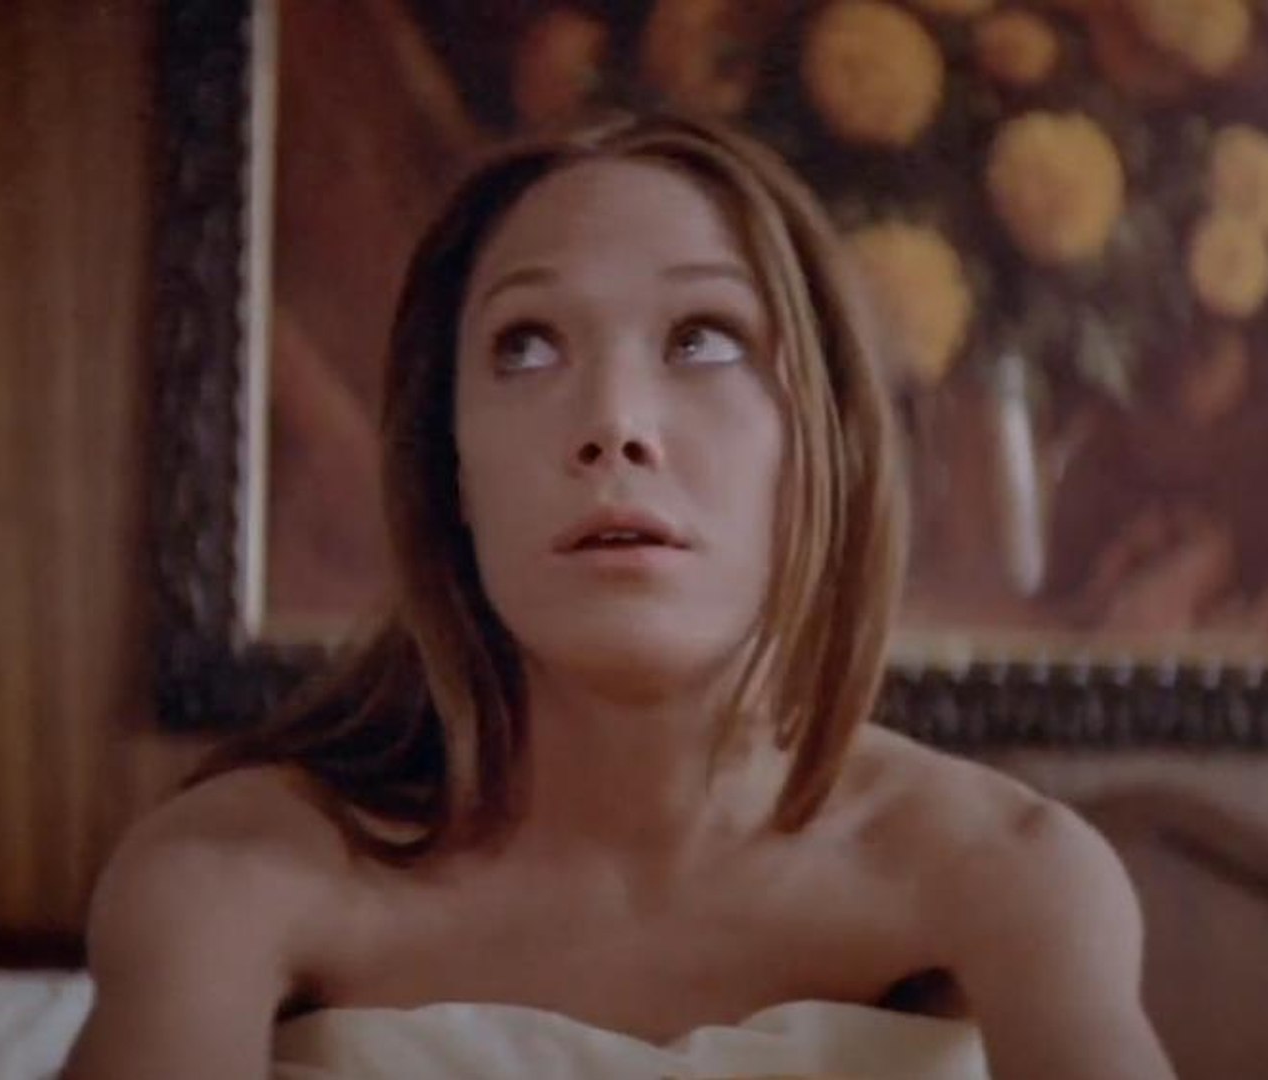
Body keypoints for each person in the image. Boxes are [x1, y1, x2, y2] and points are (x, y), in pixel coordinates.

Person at [63, 114, 1174, 1080]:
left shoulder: (1009, 875)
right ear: (452, 466)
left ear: (823, 447)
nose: (613, 423)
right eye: (527, 348)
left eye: (703, 339)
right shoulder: (228, 879)